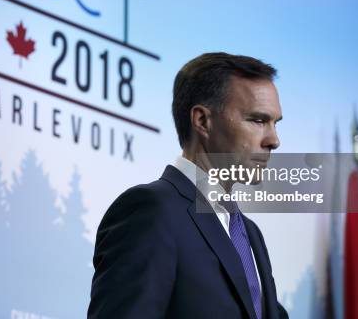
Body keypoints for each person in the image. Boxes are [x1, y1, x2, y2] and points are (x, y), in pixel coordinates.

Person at [88, 53, 288, 318]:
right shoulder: (152, 211)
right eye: (258, 120)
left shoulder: (249, 234)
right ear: (202, 121)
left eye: (275, 123)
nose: (274, 140)